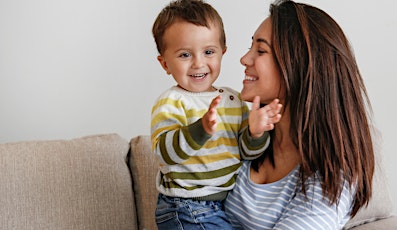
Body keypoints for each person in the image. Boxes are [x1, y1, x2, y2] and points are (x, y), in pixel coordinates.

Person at [224, 0, 376, 229]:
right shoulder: (244, 134)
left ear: (298, 65)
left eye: (261, 50)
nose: (244, 59)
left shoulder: (333, 174)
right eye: (250, 47)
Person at [150, 0, 282, 229]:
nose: (198, 63)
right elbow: (165, 153)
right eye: (184, 55)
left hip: (223, 205)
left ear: (223, 53)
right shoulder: (171, 101)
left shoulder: (233, 100)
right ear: (165, 64)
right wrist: (201, 129)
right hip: (185, 206)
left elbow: (246, 153)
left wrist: (255, 132)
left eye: (208, 52)